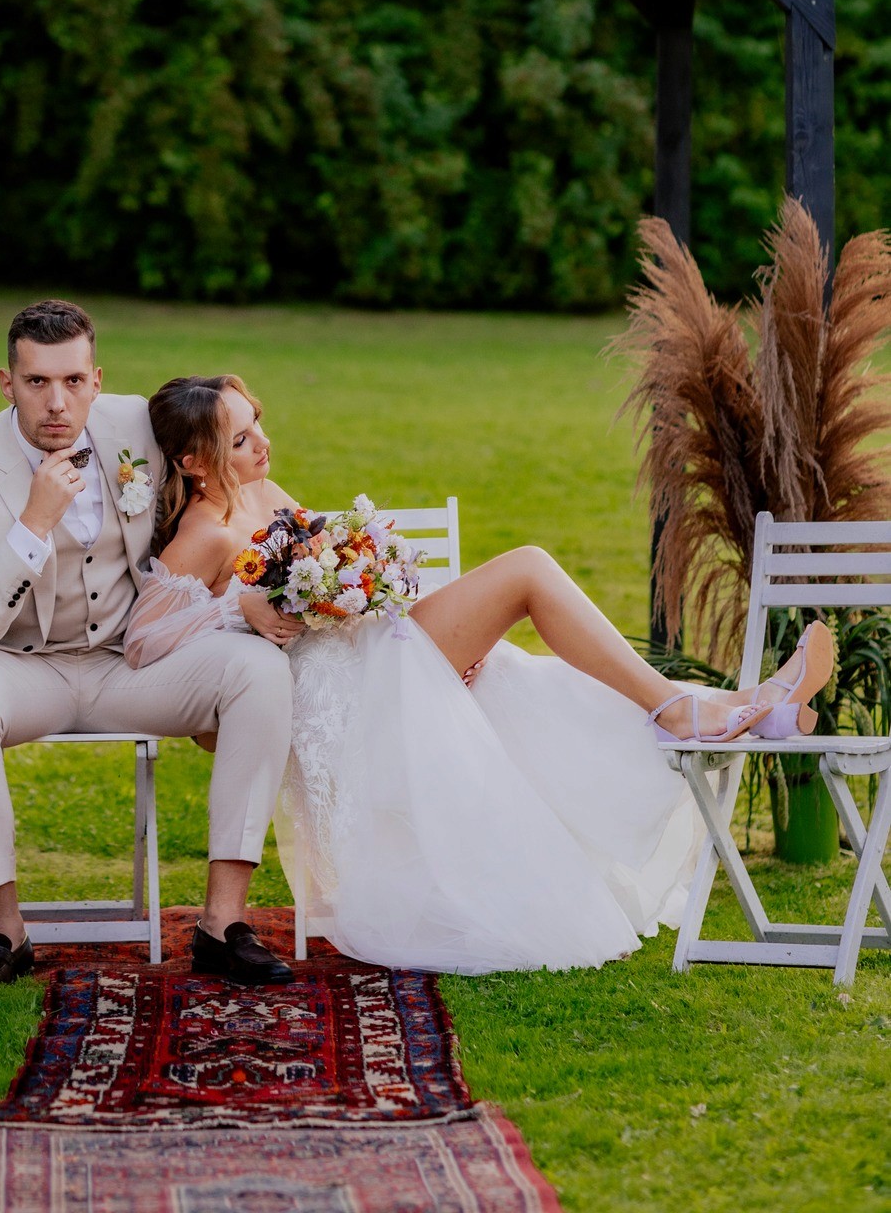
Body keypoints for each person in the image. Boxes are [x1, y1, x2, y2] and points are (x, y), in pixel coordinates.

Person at [126, 374, 833, 975]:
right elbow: (144, 645)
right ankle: (684, 709)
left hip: (372, 648)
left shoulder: (266, 491)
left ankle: (730, 706)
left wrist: (373, 590)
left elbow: (331, 578)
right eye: (241, 440)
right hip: (341, 692)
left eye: (257, 427)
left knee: (532, 685)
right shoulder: (203, 535)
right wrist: (242, 610)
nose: (262, 444)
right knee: (526, 569)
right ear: (193, 462)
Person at [0, 302, 297, 991]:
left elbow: (237, 480)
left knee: (258, 670)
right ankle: (4, 933)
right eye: (35, 383)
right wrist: (31, 524)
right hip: (20, 671)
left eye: (73, 381)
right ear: (6, 382)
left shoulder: (133, 428)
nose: (57, 402)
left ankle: (222, 925)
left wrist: (277, 585)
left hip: (131, 664)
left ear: (96, 377)